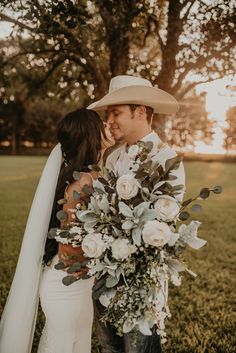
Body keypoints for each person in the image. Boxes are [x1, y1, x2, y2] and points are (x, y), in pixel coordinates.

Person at [0, 108, 114, 353]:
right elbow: (68, 254)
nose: (108, 126)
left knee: (77, 345)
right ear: (92, 135)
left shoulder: (90, 175)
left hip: (79, 286)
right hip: (66, 288)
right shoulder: (80, 185)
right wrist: (109, 252)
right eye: (101, 125)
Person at [88, 75, 185, 353]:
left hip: (142, 278)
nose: (108, 122)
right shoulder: (114, 156)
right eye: (108, 114)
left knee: (140, 348)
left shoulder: (166, 158)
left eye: (115, 113)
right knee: (109, 346)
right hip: (106, 271)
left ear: (140, 112)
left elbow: (165, 221)